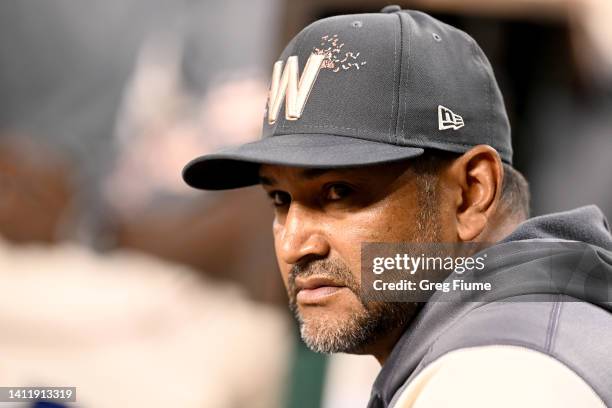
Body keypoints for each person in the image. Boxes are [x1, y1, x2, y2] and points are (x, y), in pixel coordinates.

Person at [182, 6, 612, 407]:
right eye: (280, 199)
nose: (295, 244)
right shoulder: (534, 334)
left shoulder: (493, 378)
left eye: (338, 192)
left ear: (470, 193)